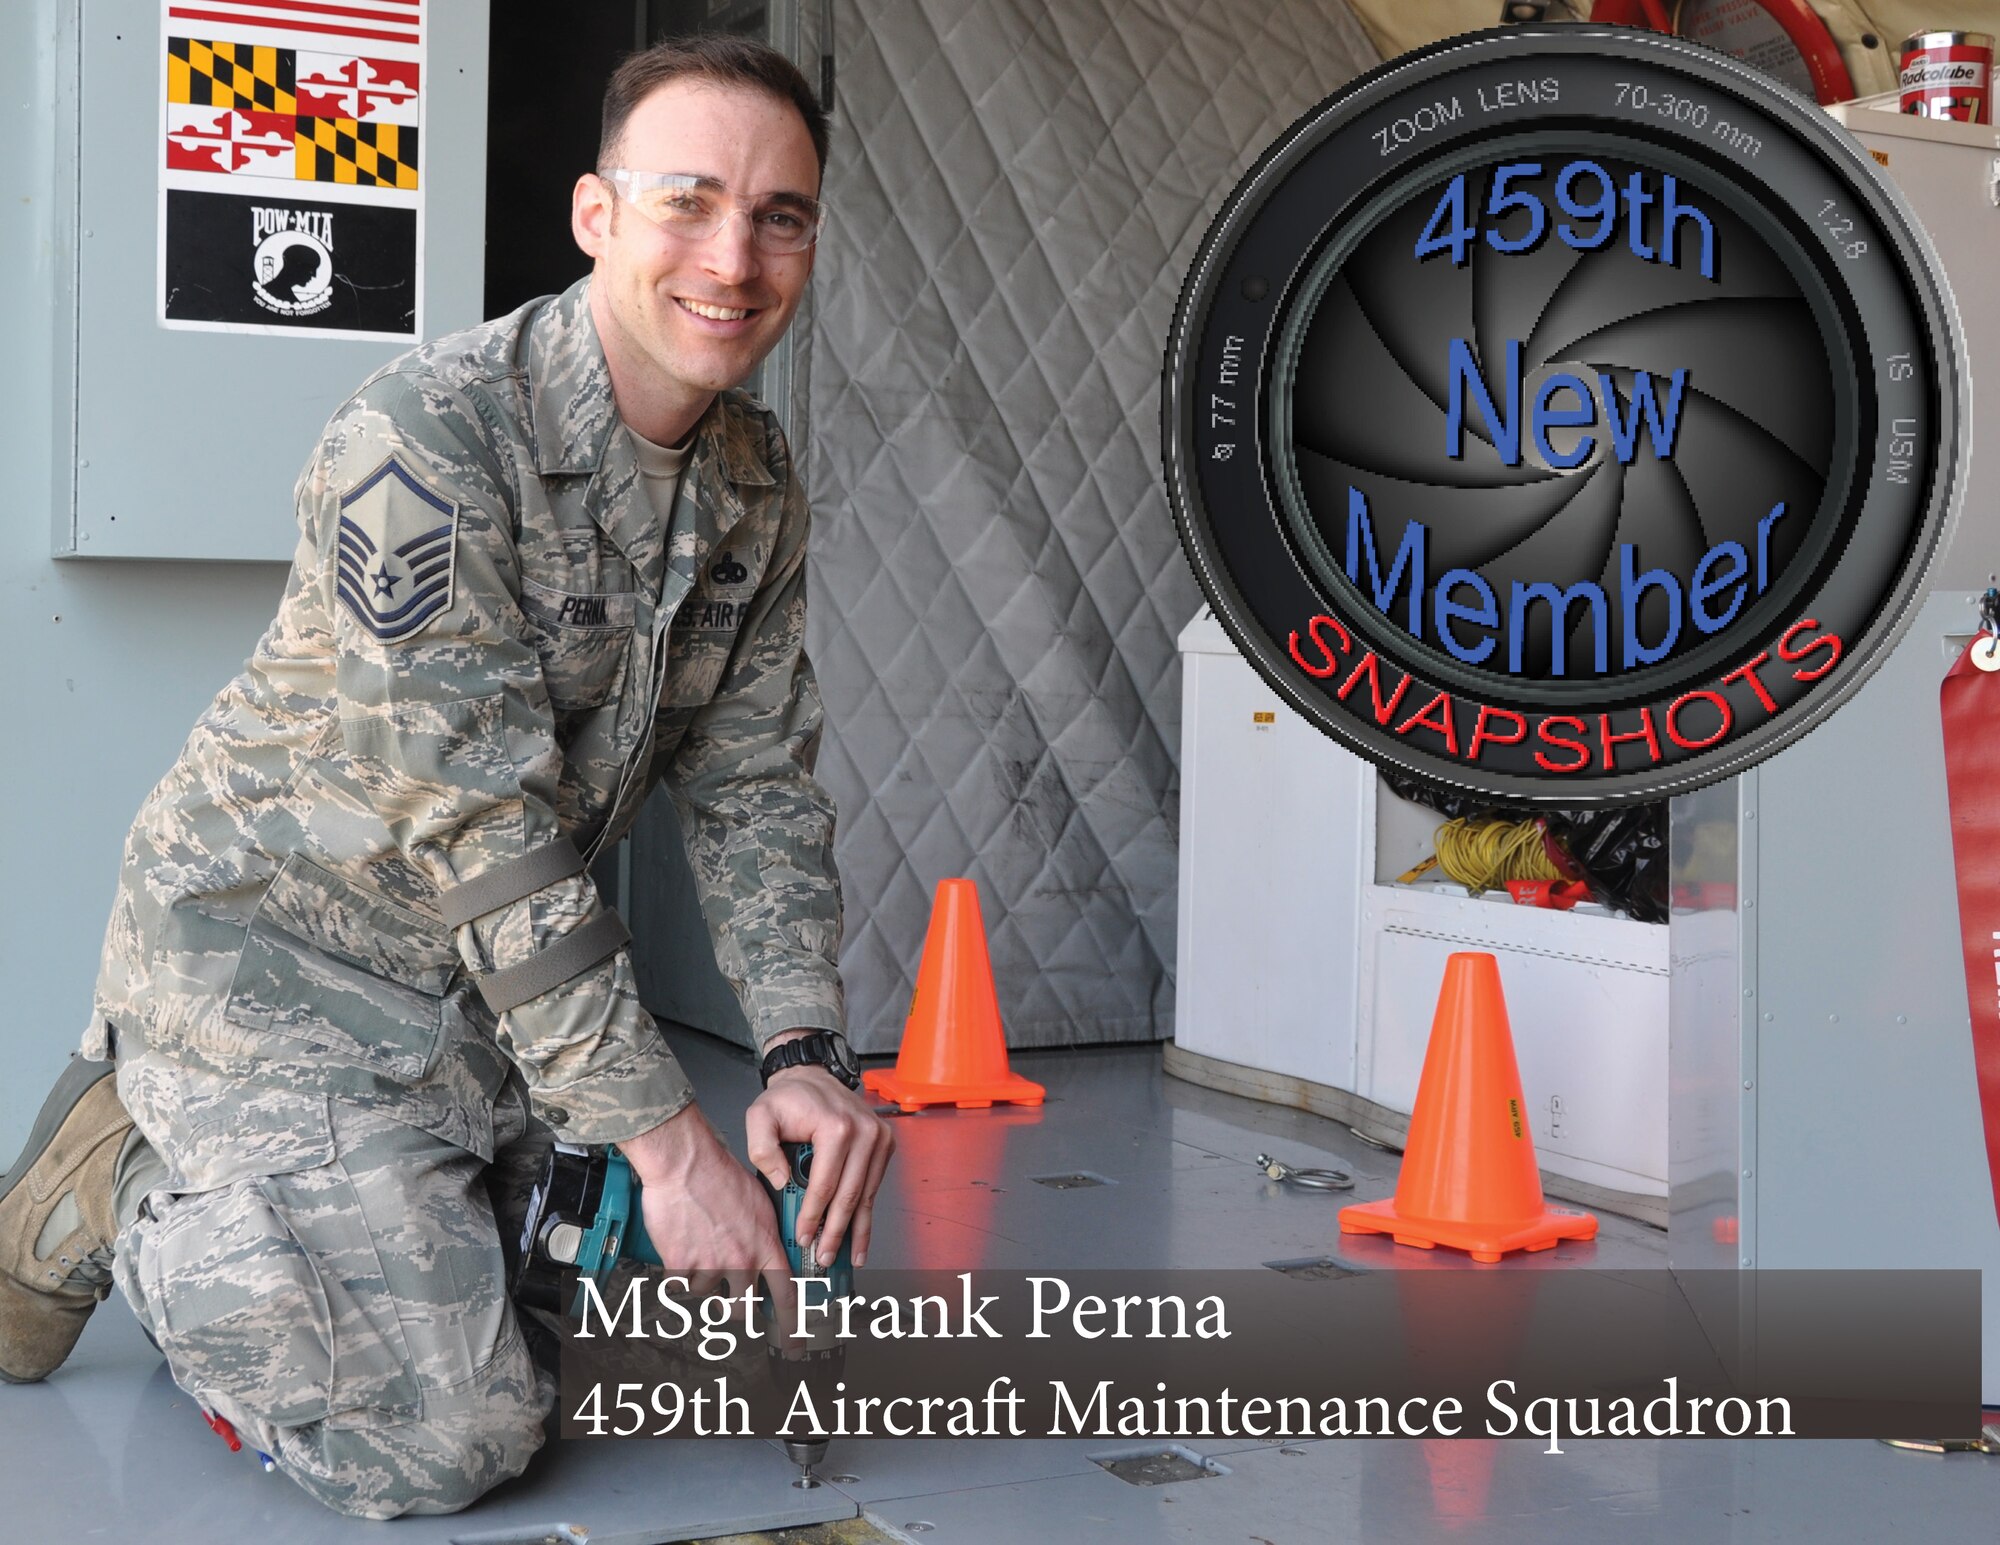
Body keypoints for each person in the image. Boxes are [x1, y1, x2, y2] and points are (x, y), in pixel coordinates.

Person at [0, 35, 893, 1518]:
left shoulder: (753, 476)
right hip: (281, 973)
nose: (734, 256)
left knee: (587, 1352)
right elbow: (483, 827)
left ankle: (347, 1218)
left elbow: (755, 781)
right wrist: (668, 1142)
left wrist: (803, 1047)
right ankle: (129, 1175)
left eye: (779, 214)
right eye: (688, 201)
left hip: (483, 1000)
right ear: (597, 215)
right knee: (450, 1438)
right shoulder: (424, 438)